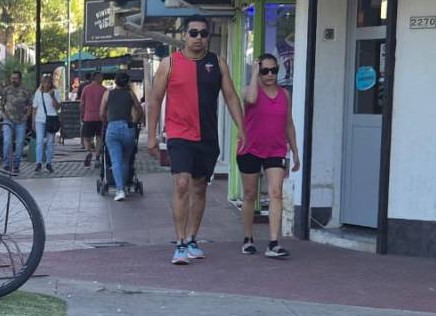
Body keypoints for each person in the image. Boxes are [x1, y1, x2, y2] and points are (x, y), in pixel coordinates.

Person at [147, 15, 245, 265]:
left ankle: (192, 238)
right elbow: (155, 100)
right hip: (179, 134)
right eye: (194, 33)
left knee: (200, 187)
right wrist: (151, 136)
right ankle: (179, 242)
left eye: (203, 33)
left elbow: (231, 97)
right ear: (184, 35)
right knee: (181, 184)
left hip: (208, 136)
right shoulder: (169, 64)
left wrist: (242, 130)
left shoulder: (217, 63)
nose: (199, 38)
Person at [238, 54, 301, 259]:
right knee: (249, 194)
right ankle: (248, 239)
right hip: (250, 149)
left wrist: (295, 150)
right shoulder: (248, 90)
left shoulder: (285, 94)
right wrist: (255, 73)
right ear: (258, 71)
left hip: (276, 149)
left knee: (276, 193)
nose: (270, 75)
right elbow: (252, 99)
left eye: (274, 70)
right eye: (265, 71)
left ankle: (274, 242)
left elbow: (288, 123)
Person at [100, 72, 143, 201]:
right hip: (128, 128)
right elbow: (139, 109)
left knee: (115, 160)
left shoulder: (108, 93)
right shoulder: (130, 94)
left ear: (115, 81)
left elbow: (101, 112)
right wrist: (135, 121)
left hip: (112, 128)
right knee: (125, 160)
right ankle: (123, 186)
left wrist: (106, 122)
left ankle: (120, 190)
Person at [0, 70, 31, 174]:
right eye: (12, 78)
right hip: (8, 119)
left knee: (20, 143)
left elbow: (30, 105)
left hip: (21, 120)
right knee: (7, 142)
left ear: (20, 79)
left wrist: (27, 116)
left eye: (16, 78)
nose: (14, 80)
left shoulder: (25, 91)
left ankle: (16, 165)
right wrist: (3, 115)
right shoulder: (6, 90)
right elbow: (1, 104)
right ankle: (7, 164)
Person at [31, 72, 60, 174]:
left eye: (48, 82)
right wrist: (33, 122)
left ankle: (48, 163)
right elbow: (34, 108)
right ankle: (38, 162)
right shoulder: (38, 93)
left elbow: (57, 107)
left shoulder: (55, 92)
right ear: (42, 83)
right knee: (39, 141)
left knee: (50, 142)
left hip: (51, 118)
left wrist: (53, 97)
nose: (46, 84)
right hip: (39, 119)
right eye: (44, 82)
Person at [79, 71, 106, 167]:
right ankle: (97, 158)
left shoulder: (86, 89)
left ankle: (88, 151)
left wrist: (82, 114)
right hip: (100, 117)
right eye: (101, 77)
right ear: (98, 78)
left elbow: (82, 103)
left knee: (86, 138)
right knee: (99, 138)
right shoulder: (104, 90)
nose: (102, 79)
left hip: (88, 117)